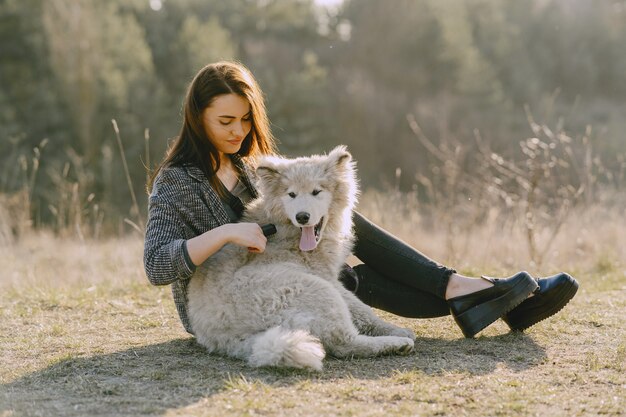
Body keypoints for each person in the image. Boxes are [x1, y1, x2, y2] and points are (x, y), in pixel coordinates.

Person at [143, 61, 578, 339]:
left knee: (342, 217)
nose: (237, 131)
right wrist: (226, 232)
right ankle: (479, 292)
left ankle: (476, 294)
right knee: (353, 279)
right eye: (224, 121)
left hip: (289, 269)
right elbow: (157, 266)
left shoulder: (250, 165)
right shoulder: (177, 182)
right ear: (196, 116)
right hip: (235, 300)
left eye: (244, 119)